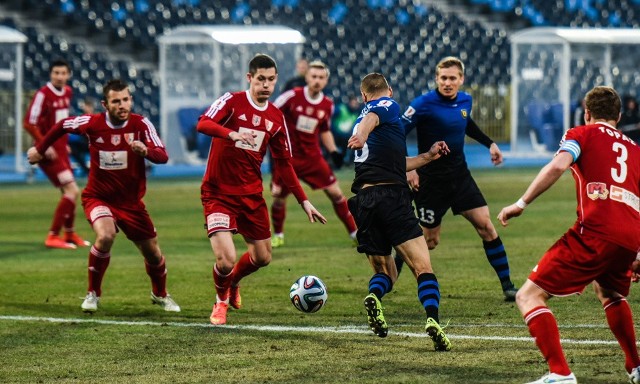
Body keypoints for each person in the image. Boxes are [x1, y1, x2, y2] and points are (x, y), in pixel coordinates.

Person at [497, 86, 640, 384]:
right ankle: (636, 366)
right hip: (630, 238)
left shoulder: (581, 134)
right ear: (619, 115)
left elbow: (559, 165)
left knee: (529, 295)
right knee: (610, 293)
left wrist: (521, 203)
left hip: (596, 233)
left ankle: (560, 373)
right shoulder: (635, 149)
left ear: (587, 113)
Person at [27, 79, 181, 314]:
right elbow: (62, 125)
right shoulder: (92, 123)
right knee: (106, 235)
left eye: (126, 99)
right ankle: (93, 294)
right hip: (98, 197)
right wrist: (39, 149)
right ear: (105, 104)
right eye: (116, 101)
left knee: (153, 252)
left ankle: (160, 294)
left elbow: (163, 156)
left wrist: (146, 151)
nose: (122, 105)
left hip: (131, 203)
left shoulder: (141, 124)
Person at [196, 53, 327, 326]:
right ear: (250, 78)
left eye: (270, 80)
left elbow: (285, 164)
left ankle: (233, 283)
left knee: (263, 257)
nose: (266, 85)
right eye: (260, 79)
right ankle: (220, 302)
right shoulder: (231, 101)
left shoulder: (276, 118)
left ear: (276, 80)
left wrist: (304, 201)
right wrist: (229, 133)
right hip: (218, 193)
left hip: (251, 195)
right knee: (226, 258)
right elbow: (203, 123)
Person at [347, 72, 452, 351]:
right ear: (388, 91)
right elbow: (372, 119)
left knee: (387, 271)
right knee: (422, 266)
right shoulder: (385, 106)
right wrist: (361, 135)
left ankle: (374, 296)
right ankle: (432, 320)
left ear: (363, 94)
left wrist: (428, 157)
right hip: (392, 197)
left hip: (364, 200)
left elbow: (394, 162)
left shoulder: (364, 117)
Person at [399, 56, 518, 301]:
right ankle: (391, 271)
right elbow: (397, 132)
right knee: (429, 241)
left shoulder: (465, 100)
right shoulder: (422, 104)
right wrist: (408, 167)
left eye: (453, 78)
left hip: (460, 177)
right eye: (443, 78)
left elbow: (467, 124)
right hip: (430, 182)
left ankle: (508, 287)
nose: (447, 82)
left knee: (486, 225)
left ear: (461, 80)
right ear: (436, 78)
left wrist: (490, 144)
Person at [270, 60, 357, 248]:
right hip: (288, 158)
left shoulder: (327, 105)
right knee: (278, 197)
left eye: (321, 77)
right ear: (307, 78)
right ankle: (278, 235)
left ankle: (354, 232)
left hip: (312, 158)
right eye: (314, 76)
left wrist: (333, 151)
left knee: (336, 194)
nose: (317, 80)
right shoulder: (291, 97)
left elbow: (324, 130)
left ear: (326, 80)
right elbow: (270, 114)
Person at [23, 59, 89, 250]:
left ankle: (69, 234)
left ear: (68, 75)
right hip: (47, 152)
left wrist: (64, 143)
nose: (59, 77)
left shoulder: (68, 92)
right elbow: (29, 123)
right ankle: (52, 236)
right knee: (72, 190)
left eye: (63, 73)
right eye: (56, 73)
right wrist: (44, 146)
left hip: (60, 149)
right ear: (50, 74)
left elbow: (61, 122)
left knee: (69, 192)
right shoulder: (43, 94)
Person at [67, 96, 95, 176]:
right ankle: (86, 170)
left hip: (95, 143)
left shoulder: (97, 118)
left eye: (89, 106)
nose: (88, 108)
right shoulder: (79, 118)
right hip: (84, 143)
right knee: (72, 148)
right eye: (86, 106)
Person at [332, 94, 360, 165]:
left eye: (356, 103)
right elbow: (330, 118)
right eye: (354, 103)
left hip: (346, 137)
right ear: (349, 102)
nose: (355, 105)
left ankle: (346, 160)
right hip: (335, 134)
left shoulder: (355, 115)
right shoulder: (341, 109)